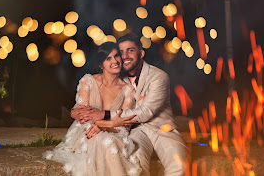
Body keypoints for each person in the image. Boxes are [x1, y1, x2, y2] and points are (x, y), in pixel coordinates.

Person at [72, 33, 186, 176]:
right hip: (136, 130)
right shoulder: (119, 78)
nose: (125, 55)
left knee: (179, 166)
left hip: (162, 128)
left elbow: (145, 112)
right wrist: (80, 112)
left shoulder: (158, 76)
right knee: (135, 167)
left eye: (130, 50)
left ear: (141, 53)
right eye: (121, 52)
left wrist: (104, 115)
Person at [44, 42, 142, 176]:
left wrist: (106, 126)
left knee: (108, 141)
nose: (115, 61)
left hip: (116, 133)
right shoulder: (88, 81)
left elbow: (124, 123)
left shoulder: (128, 90)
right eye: (108, 58)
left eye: (116, 56)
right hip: (86, 132)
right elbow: (83, 118)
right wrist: (111, 123)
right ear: (101, 64)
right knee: (103, 140)